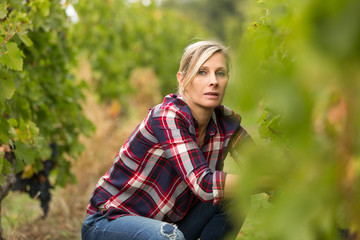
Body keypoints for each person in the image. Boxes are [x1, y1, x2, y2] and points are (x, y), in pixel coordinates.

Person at [81, 40, 252, 240]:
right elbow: (204, 184)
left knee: (234, 198)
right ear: (182, 79)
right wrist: (271, 181)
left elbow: (261, 166)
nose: (213, 81)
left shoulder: (226, 122)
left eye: (220, 73)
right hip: (109, 223)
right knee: (168, 236)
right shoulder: (167, 116)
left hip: (168, 228)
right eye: (202, 72)